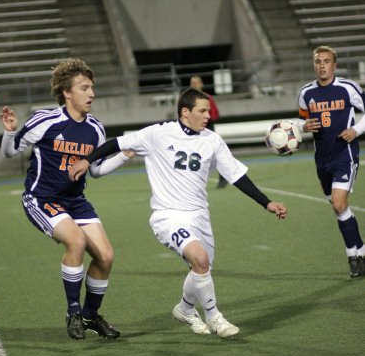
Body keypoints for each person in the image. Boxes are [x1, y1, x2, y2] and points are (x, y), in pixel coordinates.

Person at [69, 87, 287, 338]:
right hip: (168, 217)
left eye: (208, 111)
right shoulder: (157, 134)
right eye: (202, 111)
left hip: (200, 217)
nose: (208, 116)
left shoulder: (212, 140)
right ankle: (215, 317)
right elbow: (116, 143)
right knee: (200, 259)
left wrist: (266, 203)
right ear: (185, 112)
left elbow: (236, 176)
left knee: (201, 269)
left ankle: (184, 309)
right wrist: (87, 160)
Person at [0, 57, 129, 340]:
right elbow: (10, 152)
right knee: (76, 241)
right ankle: (74, 313)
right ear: (67, 92)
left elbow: (94, 170)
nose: (91, 93)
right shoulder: (45, 120)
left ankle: (92, 315)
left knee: (106, 256)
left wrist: (124, 156)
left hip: (75, 200)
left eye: (92, 87)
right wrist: (10, 131)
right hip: (41, 198)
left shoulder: (95, 128)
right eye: (84, 88)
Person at [298, 45, 365, 278]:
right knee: (340, 209)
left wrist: (356, 130)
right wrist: (302, 126)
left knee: (338, 203)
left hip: (344, 155)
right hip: (322, 159)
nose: (322, 65)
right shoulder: (306, 93)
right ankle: (362, 252)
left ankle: (352, 257)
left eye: (326, 61)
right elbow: (300, 122)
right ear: (314, 65)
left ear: (334, 65)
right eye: (318, 61)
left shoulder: (348, 88)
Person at [189, 74, 227, 188]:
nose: (194, 86)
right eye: (192, 84)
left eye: (196, 83)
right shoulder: (187, 100)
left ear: (201, 84)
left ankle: (223, 177)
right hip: (192, 132)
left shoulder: (207, 98)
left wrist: (203, 118)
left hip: (207, 130)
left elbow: (215, 115)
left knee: (214, 155)